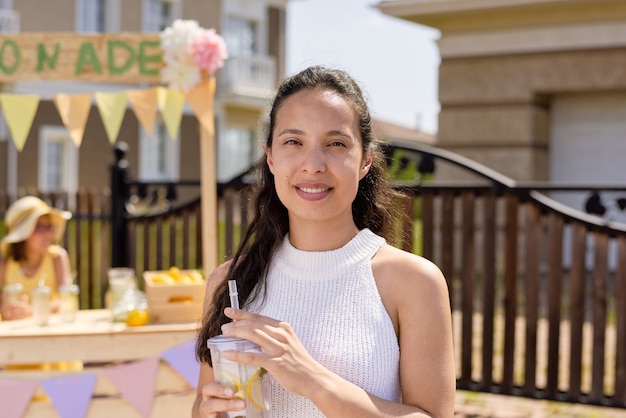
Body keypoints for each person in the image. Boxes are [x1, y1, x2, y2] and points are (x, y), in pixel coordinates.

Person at [193, 66, 455, 417]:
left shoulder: (413, 282)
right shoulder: (230, 282)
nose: (313, 164)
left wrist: (312, 379)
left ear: (365, 160)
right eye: (293, 142)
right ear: (270, 157)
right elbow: (201, 407)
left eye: (335, 144)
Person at [0, 196, 73, 321]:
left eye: (49, 227)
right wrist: (5, 310)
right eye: (40, 227)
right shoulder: (4, 263)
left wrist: (32, 310)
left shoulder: (57, 258)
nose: (49, 235)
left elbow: (66, 301)